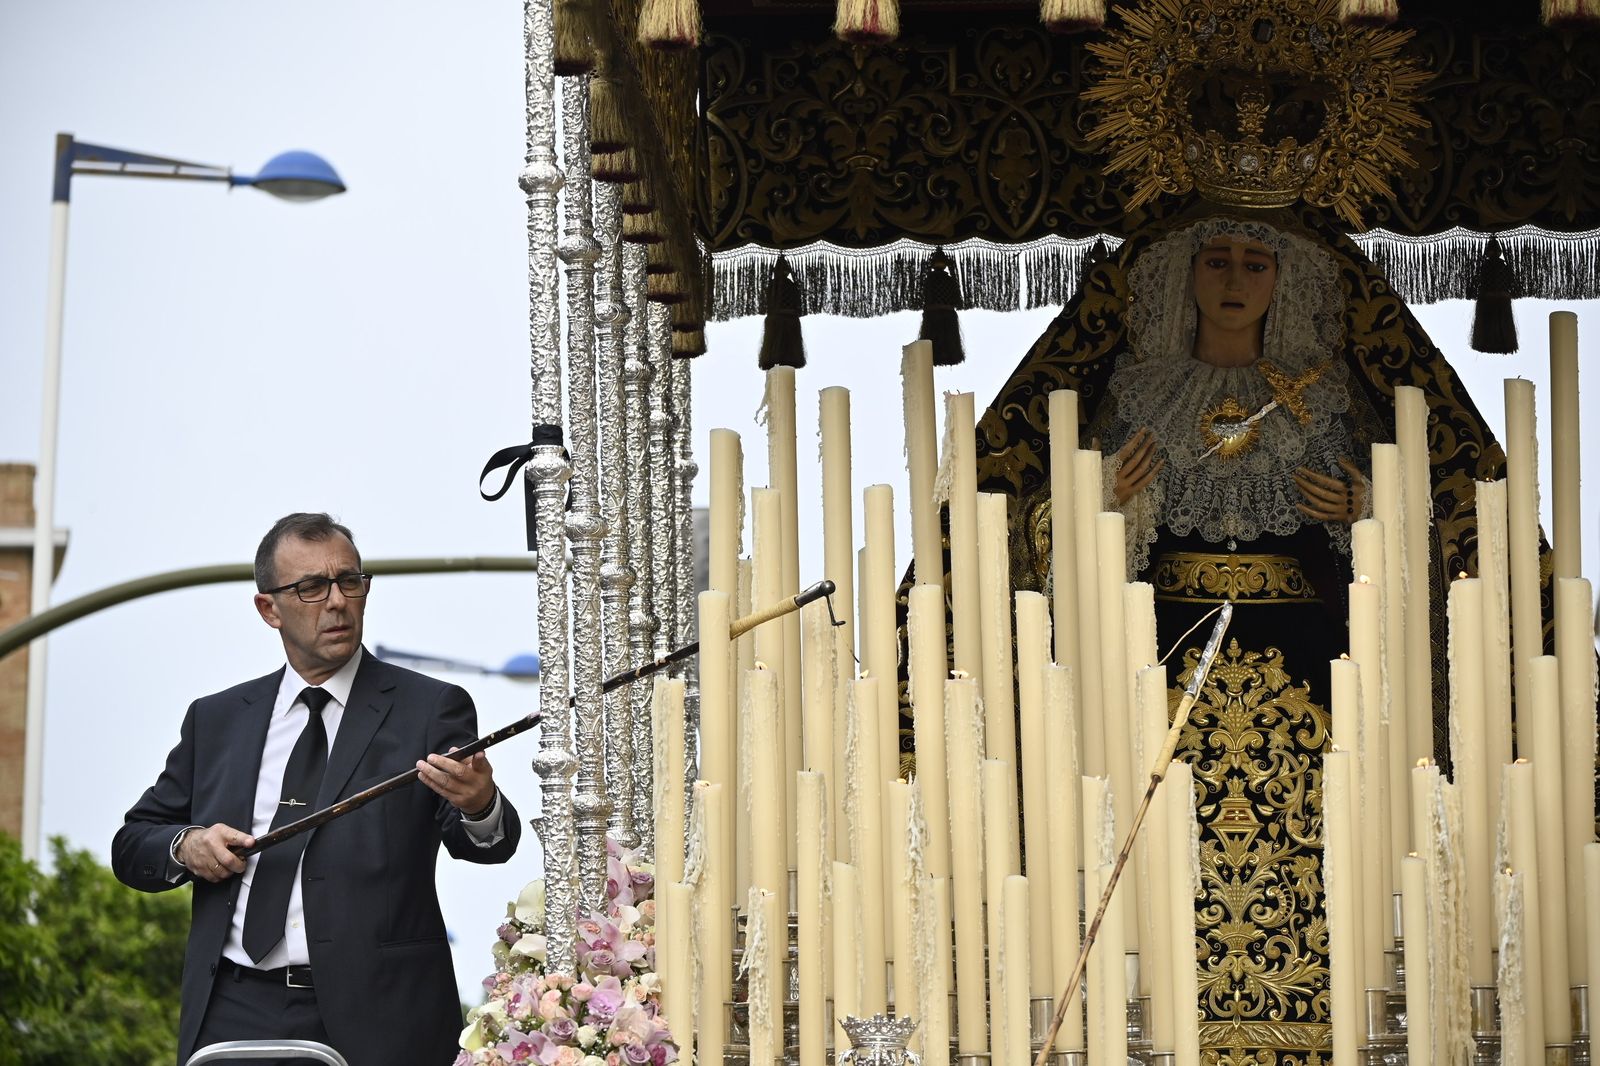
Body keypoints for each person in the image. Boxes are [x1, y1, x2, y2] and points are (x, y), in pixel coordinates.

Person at [113, 512, 522, 1066]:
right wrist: (187, 845)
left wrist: (478, 803)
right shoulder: (216, 720)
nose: (336, 601)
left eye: (348, 581)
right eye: (311, 587)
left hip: (382, 1014)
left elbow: (488, 842)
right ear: (268, 609)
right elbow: (133, 842)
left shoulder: (430, 708)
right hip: (231, 1007)